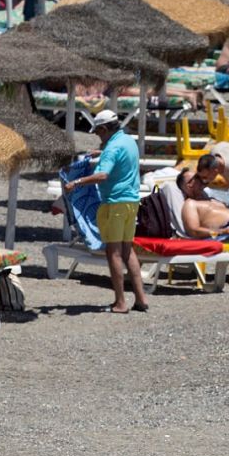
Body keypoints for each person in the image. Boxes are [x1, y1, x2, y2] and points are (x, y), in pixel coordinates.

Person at [62, 110, 147, 313]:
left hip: (114, 202)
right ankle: (141, 299)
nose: (98, 136)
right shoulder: (128, 141)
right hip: (132, 201)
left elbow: (102, 175)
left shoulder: (112, 148)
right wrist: (101, 153)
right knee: (128, 250)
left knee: (114, 253)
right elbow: (119, 155)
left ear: (103, 128)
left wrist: (77, 182)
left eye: (98, 132)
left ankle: (120, 302)